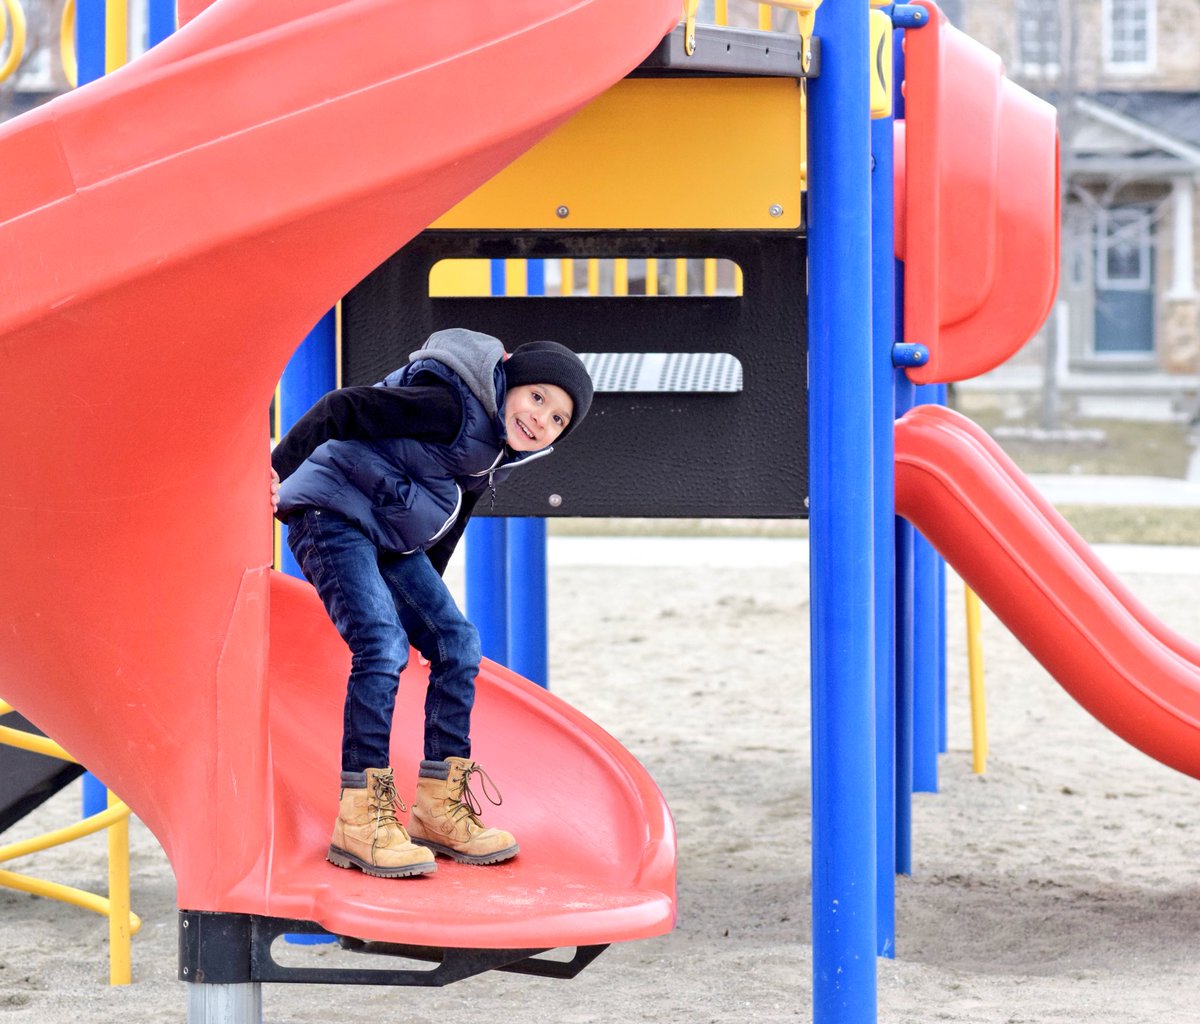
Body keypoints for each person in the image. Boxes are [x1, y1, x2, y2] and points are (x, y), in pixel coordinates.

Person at [271, 328, 593, 878]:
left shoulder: (491, 447)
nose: (542, 420)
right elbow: (340, 408)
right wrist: (275, 469)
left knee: (457, 641)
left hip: (389, 533)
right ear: (508, 380)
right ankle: (360, 820)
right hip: (331, 514)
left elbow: (447, 522)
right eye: (538, 398)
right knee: (380, 643)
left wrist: (430, 616)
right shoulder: (448, 405)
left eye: (558, 419)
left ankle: (438, 807)